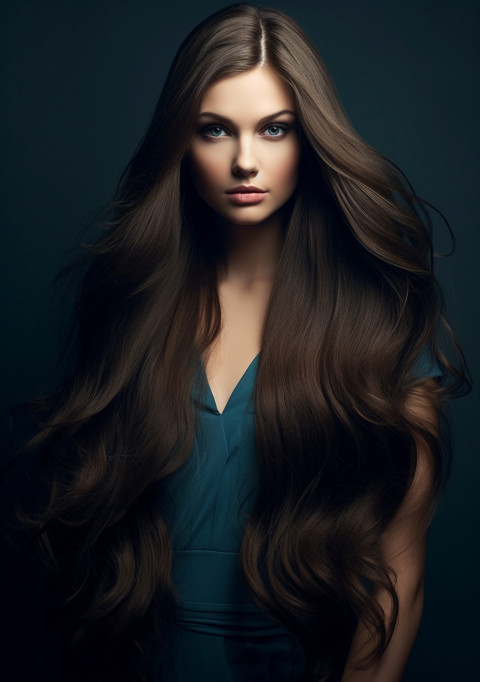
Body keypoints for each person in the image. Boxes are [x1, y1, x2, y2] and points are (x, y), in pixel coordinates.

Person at [0, 3, 469, 682]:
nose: (246, 161)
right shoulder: (135, 303)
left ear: (309, 140)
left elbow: (401, 573)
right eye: (216, 130)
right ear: (180, 143)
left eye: (274, 130)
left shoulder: (379, 326)